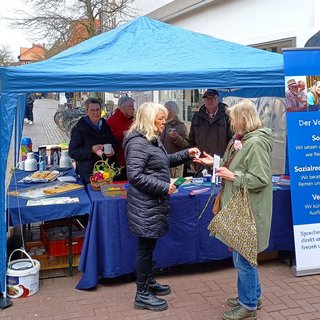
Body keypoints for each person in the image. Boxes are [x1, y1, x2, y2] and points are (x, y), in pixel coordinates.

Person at [194, 99, 273, 320]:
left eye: (232, 118)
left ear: (244, 119)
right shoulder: (243, 138)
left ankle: (247, 306)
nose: (230, 122)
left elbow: (260, 179)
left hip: (248, 210)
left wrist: (232, 176)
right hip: (241, 206)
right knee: (245, 255)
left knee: (243, 258)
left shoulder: (255, 142)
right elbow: (236, 165)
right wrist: (215, 165)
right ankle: (253, 296)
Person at [123, 102, 200, 312]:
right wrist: (164, 187)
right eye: (160, 119)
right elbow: (135, 176)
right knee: (145, 249)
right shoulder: (139, 142)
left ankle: (148, 282)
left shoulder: (150, 140)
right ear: (149, 118)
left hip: (151, 203)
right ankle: (142, 294)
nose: (164, 123)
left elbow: (162, 162)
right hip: (145, 204)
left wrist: (187, 154)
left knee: (149, 247)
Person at [69, 98, 117, 184]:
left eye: (98, 110)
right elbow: (72, 152)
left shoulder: (105, 125)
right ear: (86, 111)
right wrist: (91, 150)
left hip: (106, 171)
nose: (96, 113)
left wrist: (113, 149)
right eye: (92, 110)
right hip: (88, 173)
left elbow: (114, 142)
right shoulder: (79, 128)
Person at [189, 89, 232, 175]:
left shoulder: (227, 117)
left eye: (212, 98)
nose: (209, 101)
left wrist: (227, 161)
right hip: (201, 162)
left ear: (218, 99)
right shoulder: (197, 116)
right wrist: (191, 160)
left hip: (220, 162)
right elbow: (191, 140)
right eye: (206, 98)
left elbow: (231, 141)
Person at [106, 96, 135, 180]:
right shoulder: (111, 121)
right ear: (125, 108)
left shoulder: (130, 120)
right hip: (117, 162)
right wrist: (122, 134)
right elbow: (108, 139)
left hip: (130, 160)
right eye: (132, 107)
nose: (133, 109)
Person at [160, 101, 189, 178]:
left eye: (165, 109)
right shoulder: (160, 123)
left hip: (174, 166)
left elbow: (186, 146)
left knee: (174, 187)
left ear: (172, 111)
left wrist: (177, 138)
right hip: (160, 163)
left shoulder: (180, 126)